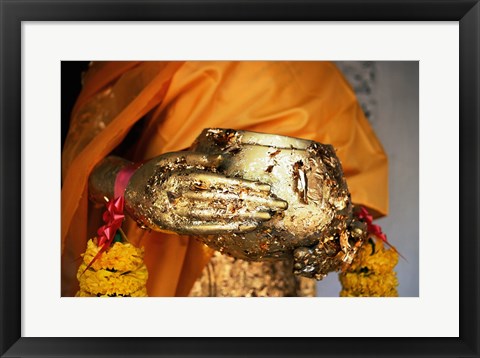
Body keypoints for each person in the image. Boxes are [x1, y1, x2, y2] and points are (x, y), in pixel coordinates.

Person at [61, 61, 388, 297]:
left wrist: (339, 235)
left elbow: (353, 192)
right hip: (163, 271)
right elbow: (77, 160)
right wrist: (129, 186)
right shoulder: (145, 50)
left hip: (279, 289)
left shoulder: (316, 71)